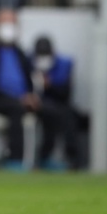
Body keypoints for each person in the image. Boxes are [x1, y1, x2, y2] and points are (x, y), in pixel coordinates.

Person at [0, 9, 69, 171]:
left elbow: (29, 80)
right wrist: (18, 100)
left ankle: (45, 157)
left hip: (21, 99)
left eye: (12, 23)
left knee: (53, 111)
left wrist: (31, 96)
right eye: (4, 23)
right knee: (17, 109)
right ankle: (15, 159)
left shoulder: (20, 53)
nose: (8, 28)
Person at [31, 36, 80, 170]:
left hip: (57, 105)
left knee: (67, 116)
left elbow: (66, 94)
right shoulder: (28, 63)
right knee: (50, 115)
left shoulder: (63, 64)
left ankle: (72, 159)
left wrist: (49, 85)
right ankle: (42, 157)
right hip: (34, 105)